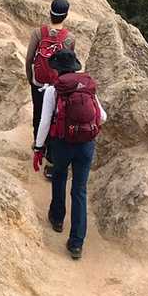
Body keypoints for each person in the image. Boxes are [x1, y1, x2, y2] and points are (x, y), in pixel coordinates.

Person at [31, 47, 105, 259]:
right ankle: (76, 243)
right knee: (80, 190)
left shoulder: (54, 90)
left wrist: (39, 147)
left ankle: (57, 219)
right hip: (86, 144)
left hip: (63, 143)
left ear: (57, 69)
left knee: (59, 176)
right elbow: (103, 117)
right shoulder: (87, 85)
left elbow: (45, 122)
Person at [24, 0, 71, 179]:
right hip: (56, 86)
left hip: (38, 82)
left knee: (38, 113)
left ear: (50, 13)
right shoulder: (69, 38)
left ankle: (38, 144)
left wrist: (31, 79)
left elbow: (29, 59)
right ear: (65, 16)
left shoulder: (38, 33)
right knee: (53, 118)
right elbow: (68, 64)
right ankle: (51, 156)